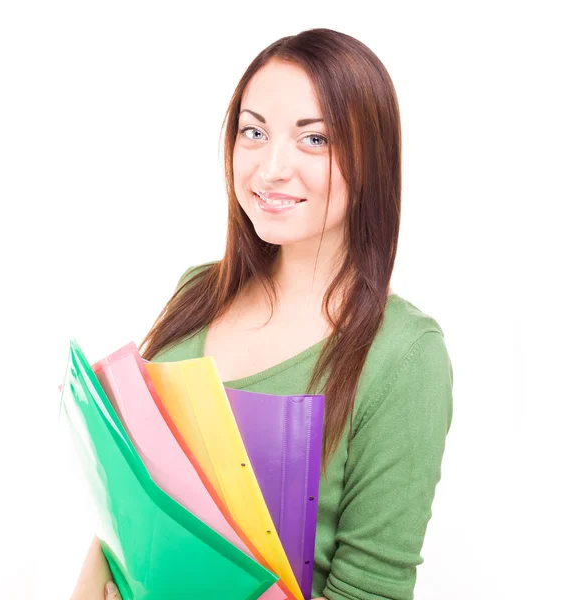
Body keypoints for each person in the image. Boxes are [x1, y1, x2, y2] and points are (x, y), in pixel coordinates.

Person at [70, 27, 453, 600]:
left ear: (372, 158)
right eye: (254, 132)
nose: (271, 168)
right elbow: (126, 510)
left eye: (315, 139)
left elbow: (371, 592)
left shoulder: (404, 355)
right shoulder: (198, 291)